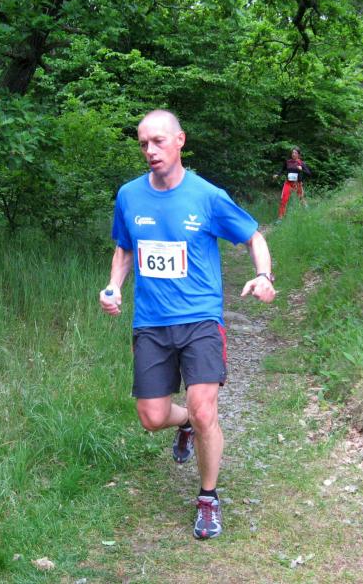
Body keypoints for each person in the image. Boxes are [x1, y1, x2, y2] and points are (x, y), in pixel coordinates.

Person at [99, 109, 276, 540]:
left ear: (180, 141)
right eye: (143, 143)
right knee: (151, 416)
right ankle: (183, 425)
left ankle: (208, 498)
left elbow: (253, 236)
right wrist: (114, 286)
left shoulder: (207, 196)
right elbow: (124, 248)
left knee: (204, 410)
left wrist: (264, 275)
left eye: (158, 141)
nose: (150, 150)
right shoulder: (129, 195)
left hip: (200, 319)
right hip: (151, 322)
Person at [274, 146, 311, 220]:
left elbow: (309, 173)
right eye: (292, 153)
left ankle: (308, 211)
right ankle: (280, 218)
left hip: (297, 184)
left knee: (301, 198)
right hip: (288, 183)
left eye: (295, 153)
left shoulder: (301, 163)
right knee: (283, 199)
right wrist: (277, 174)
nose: (293, 154)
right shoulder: (288, 162)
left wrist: (301, 169)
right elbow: (282, 169)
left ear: (298, 154)